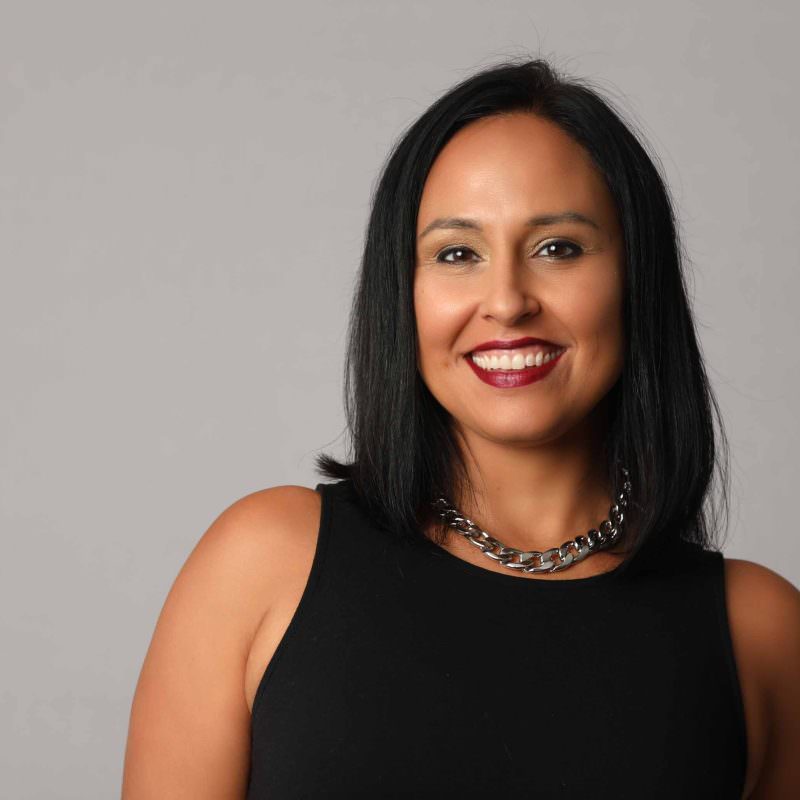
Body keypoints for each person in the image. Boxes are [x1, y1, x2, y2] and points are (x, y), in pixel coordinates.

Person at [121, 57, 800, 799]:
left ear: (637, 278)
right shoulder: (262, 565)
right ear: (402, 294)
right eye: (457, 254)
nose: (506, 301)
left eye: (558, 248)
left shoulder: (761, 636)